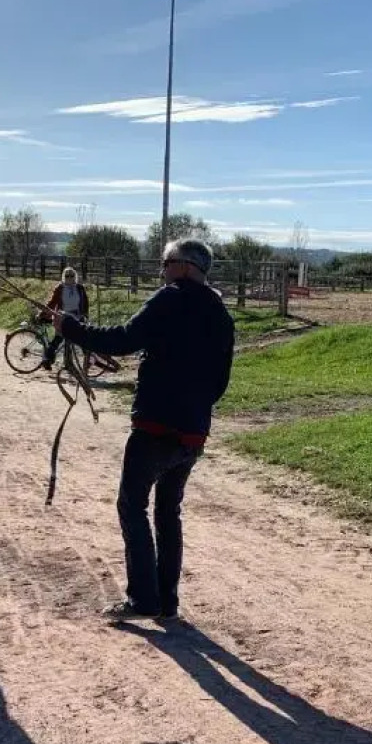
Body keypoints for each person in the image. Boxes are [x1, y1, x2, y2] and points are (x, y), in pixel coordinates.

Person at [53, 238, 235, 621]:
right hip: (193, 432)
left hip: (155, 426)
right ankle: (166, 600)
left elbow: (122, 339)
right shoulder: (220, 312)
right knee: (168, 511)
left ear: (183, 266)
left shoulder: (169, 298)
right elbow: (220, 382)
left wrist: (70, 328)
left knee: (131, 506)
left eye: (165, 262)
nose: (162, 270)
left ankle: (142, 599)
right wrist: (195, 408)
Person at [42, 267, 89, 368]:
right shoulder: (60, 288)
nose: (69, 278)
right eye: (67, 276)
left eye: (72, 275)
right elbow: (52, 302)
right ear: (64, 276)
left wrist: (85, 314)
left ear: (75, 276)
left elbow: (85, 302)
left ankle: (88, 360)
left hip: (77, 316)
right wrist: (43, 312)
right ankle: (47, 360)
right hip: (62, 317)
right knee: (58, 339)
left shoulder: (80, 288)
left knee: (82, 339)